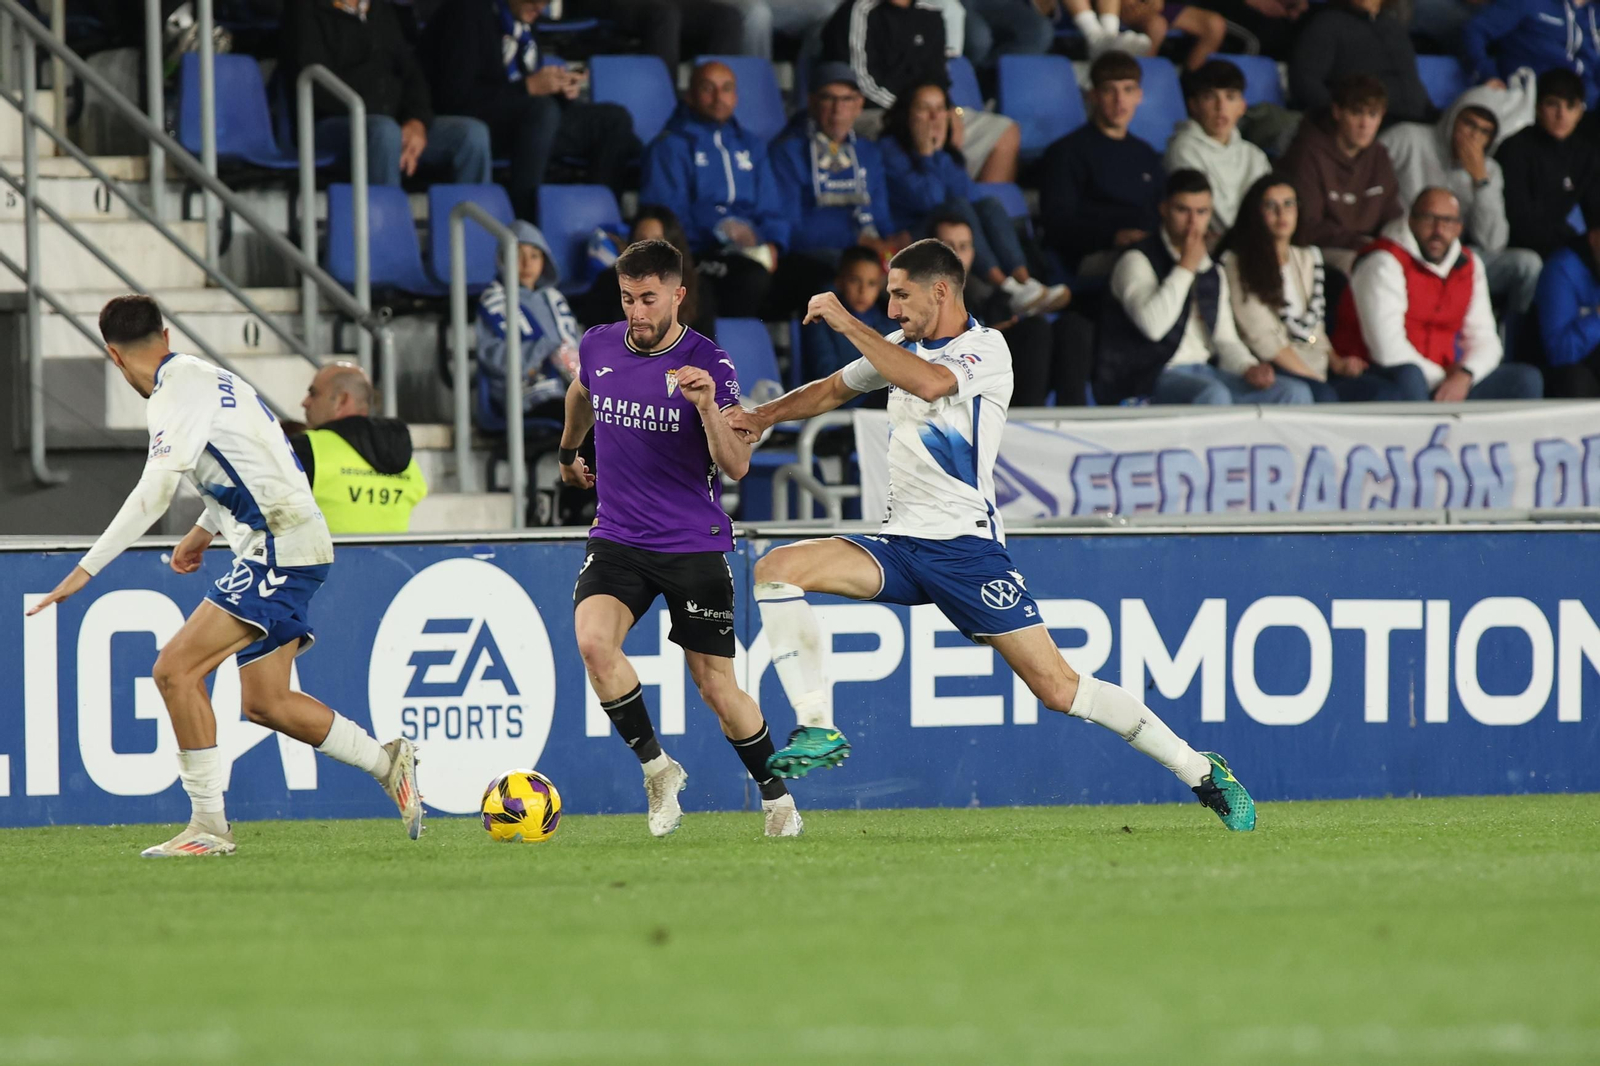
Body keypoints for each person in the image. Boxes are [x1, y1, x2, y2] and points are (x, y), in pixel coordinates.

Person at [723, 239, 1258, 832]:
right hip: (899, 545)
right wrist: (763, 417)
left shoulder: (986, 349)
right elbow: (832, 390)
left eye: (901, 295)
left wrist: (848, 322)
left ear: (941, 291)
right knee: (776, 568)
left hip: (967, 552)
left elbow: (928, 384)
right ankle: (817, 724)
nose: (892, 308)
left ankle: (1200, 771)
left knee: (1058, 689)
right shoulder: (898, 347)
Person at [25, 295, 422, 857]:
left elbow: (154, 492)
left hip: (277, 548)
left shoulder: (171, 395)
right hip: (290, 542)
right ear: (164, 334)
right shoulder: (210, 377)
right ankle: (388, 763)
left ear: (114, 356)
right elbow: (266, 455)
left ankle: (209, 826)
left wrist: (85, 569)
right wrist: (203, 531)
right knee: (266, 701)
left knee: (174, 671)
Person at [556, 239, 803, 838]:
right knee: (594, 644)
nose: (636, 312)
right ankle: (658, 769)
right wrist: (568, 453)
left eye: (647, 298)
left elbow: (738, 465)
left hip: (693, 543)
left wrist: (706, 410)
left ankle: (777, 799)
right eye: (627, 298)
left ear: (677, 295)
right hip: (617, 537)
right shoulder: (599, 343)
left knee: (716, 686)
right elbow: (583, 393)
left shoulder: (708, 363)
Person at [1099, 169, 1316, 404]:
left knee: (1293, 392)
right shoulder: (1136, 260)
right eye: (1183, 210)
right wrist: (1185, 268)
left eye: (1201, 212)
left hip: (1205, 370)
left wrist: (1248, 367)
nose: (1193, 222)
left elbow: (1226, 340)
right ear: (1164, 210)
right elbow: (1153, 327)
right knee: (1213, 394)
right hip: (1150, 375)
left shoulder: (1212, 270)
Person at [421, 0, 640, 221]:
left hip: (530, 124)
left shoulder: (523, 19)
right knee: (542, 111)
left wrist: (559, 88)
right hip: (481, 125)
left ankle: (601, 223)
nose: (540, 7)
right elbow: (456, 101)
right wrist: (529, 87)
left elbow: (527, 88)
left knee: (614, 120)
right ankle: (525, 227)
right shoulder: (466, 14)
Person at [1332, 187, 1546, 398]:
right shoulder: (1383, 261)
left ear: (1459, 228)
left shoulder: (1469, 264)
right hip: (1376, 374)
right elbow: (1387, 351)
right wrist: (1443, 378)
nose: (1438, 230)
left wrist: (1466, 375)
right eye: (1428, 219)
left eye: (1447, 222)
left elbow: (1485, 339)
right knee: (1410, 376)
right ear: (1411, 221)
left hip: (1445, 382)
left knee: (1526, 379)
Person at [879, 82, 1071, 317]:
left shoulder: (945, 153)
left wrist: (937, 153)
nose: (933, 117)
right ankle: (1004, 286)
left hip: (946, 231)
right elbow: (929, 199)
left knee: (989, 205)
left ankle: (1025, 281)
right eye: (924, 108)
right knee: (959, 209)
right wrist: (927, 155)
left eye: (940, 109)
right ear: (906, 114)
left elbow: (970, 196)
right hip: (911, 235)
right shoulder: (889, 150)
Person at [1222, 174, 1415, 400]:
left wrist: (1337, 363)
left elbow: (1314, 329)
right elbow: (1264, 339)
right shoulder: (1238, 263)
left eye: (1288, 204)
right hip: (1273, 369)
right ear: (1256, 213)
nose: (1281, 214)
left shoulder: (1306, 258)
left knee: (1385, 392)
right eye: (1270, 206)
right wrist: (1313, 377)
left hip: (1318, 367)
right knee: (1324, 397)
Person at [639, 61, 792, 316]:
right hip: (698, 252)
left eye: (726, 88)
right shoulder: (670, 147)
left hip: (749, 249)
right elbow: (668, 217)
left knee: (812, 278)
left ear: (736, 96)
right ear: (690, 95)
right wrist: (718, 228)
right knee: (749, 279)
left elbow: (771, 207)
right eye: (708, 88)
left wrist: (774, 244)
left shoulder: (752, 146)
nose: (718, 97)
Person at [286, 0, 491, 189]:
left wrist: (417, 121)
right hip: (332, 125)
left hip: (392, 123)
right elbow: (317, 86)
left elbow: (411, 74)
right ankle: (383, 224)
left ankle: (473, 227)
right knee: (385, 133)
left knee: (471, 135)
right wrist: (385, 112)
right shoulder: (306, 8)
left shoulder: (379, 9)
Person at [821, 0, 1023, 182]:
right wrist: (913, 111)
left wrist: (949, 110)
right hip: (874, 114)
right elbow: (860, 85)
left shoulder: (931, 14)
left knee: (1004, 133)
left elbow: (939, 79)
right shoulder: (857, 11)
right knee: (922, 127)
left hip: (923, 111)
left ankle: (977, 215)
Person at [1380, 89, 1540, 313]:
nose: (1474, 136)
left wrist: (1480, 182)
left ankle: (1515, 344)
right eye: (1469, 124)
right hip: (1402, 248)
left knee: (1527, 265)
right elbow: (1364, 173)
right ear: (1453, 117)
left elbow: (1493, 243)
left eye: (1484, 132)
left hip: (1452, 257)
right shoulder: (1408, 138)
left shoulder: (1489, 171)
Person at [932, 210, 1094, 405]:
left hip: (995, 373)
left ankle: (1073, 419)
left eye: (964, 246)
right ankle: (1030, 418)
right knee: (1035, 330)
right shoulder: (914, 294)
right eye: (948, 246)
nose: (957, 255)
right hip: (951, 378)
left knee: (1073, 326)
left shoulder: (988, 296)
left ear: (973, 253)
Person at [1040, 50, 1164, 279]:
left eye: (1128, 90)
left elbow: (1161, 210)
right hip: (1095, 255)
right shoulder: (1066, 152)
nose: (1120, 100)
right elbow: (1057, 225)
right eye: (1109, 90)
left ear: (1139, 95)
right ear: (1093, 96)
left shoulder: (1146, 153)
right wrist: (1115, 236)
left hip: (1149, 248)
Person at [770, 63, 905, 266]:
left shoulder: (868, 151)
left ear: (859, 104)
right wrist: (855, 238)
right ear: (812, 101)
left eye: (846, 99)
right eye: (828, 98)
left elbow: (881, 217)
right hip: (818, 256)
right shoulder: (788, 152)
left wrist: (894, 241)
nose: (837, 109)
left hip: (870, 254)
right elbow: (791, 229)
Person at [1281, 75, 1404, 273]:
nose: (1364, 124)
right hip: (1319, 251)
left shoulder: (1379, 154)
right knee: (1365, 268)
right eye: (1356, 113)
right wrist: (1363, 244)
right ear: (1337, 112)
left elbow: (1392, 214)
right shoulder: (1306, 152)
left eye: (1373, 115)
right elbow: (1306, 226)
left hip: (1370, 248)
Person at [291, 362, 429, 533]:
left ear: (342, 400)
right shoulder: (405, 457)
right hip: (394, 558)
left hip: (328, 558)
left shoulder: (306, 449)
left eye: (313, 393)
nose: (305, 402)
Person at [473, 219, 584, 424]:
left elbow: (577, 348)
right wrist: (542, 348)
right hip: (521, 396)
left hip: (562, 392)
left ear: (545, 261)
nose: (527, 263)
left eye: (534, 255)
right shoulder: (494, 302)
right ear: (502, 259)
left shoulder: (553, 300)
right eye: (518, 255)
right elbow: (493, 358)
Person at [1497, 69, 1600, 258]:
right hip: (1515, 249)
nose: (1561, 114)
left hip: (1558, 244)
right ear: (1537, 107)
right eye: (1553, 104)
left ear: (1580, 112)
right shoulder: (1515, 149)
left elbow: (1596, 212)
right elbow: (1519, 221)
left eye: (1571, 106)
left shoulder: (1585, 154)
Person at [1164, 59, 1273, 238]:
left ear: (1242, 106)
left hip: (1254, 243)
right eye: (1209, 97)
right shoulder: (1183, 150)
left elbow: (1267, 208)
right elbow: (1210, 215)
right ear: (1193, 105)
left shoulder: (1254, 155)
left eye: (1230, 97)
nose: (1221, 107)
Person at [577, 206, 719, 338]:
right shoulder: (608, 284)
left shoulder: (697, 288)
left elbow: (706, 353)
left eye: (657, 242)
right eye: (641, 241)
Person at [1288, 0, 1433, 124]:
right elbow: (1305, 82)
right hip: (1367, 128)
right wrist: (1345, 118)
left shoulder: (1394, 27)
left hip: (1417, 121)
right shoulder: (1327, 24)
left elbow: (1412, 81)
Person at [1461, 0, 1600, 108]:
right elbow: (1475, 31)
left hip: (1584, 110)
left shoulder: (1593, 15)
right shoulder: (1529, 3)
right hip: (1528, 104)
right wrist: (1486, 75)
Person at [802, 245, 897, 387]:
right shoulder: (821, 322)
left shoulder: (891, 326)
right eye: (854, 280)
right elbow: (826, 374)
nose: (863, 290)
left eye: (871, 283)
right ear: (839, 282)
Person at [1532, 230, 1600, 395]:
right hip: (1565, 371)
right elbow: (1560, 352)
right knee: (1574, 379)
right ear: (1594, 237)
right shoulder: (1562, 269)